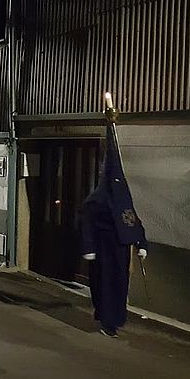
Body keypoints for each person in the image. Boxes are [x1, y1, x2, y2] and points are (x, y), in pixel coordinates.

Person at [80, 125, 148, 339]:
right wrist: (89, 248)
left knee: (120, 285)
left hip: (120, 250)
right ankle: (106, 320)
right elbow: (87, 224)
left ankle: (116, 318)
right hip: (103, 249)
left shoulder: (122, 198)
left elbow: (132, 220)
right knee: (104, 284)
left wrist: (141, 243)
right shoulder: (96, 201)